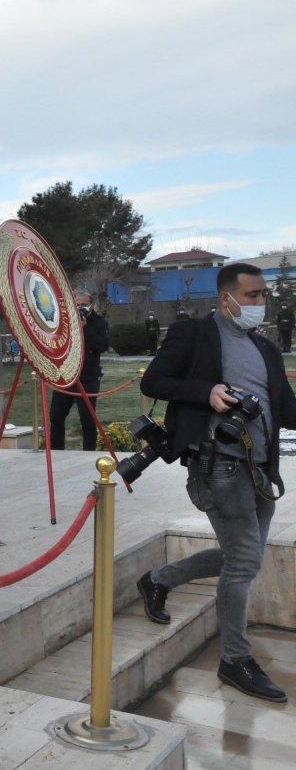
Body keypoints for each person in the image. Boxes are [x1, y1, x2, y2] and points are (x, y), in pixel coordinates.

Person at [138, 263, 295, 703]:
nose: (260, 303)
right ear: (226, 297)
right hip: (219, 466)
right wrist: (206, 392)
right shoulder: (194, 334)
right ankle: (234, 659)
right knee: (244, 562)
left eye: (263, 295)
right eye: (251, 296)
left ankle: (159, 579)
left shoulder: (265, 348)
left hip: (261, 468)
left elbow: (285, 405)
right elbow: (154, 381)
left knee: (241, 556)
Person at [48, 291, 109, 450]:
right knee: (56, 417)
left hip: (88, 377)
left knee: (88, 419)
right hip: (66, 376)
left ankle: (88, 452)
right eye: (77, 305)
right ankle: (56, 451)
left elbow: (102, 346)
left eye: (84, 305)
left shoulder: (99, 322)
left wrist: (86, 328)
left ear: (91, 305)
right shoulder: (63, 321)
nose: (80, 308)